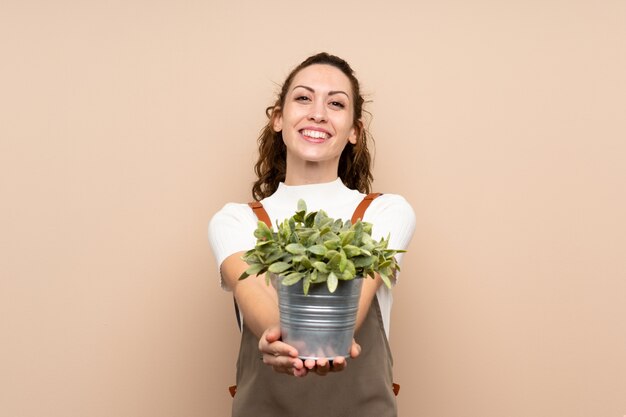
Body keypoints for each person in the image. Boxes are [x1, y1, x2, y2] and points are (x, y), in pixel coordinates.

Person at [208, 52, 416, 417]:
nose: (318, 112)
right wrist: (281, 339)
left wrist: (291, 343)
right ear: (278, 118)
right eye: (303, 98)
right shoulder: (236, 220)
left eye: (336, 103)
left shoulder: (386, 213)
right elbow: (250, 287)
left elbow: (353, 303)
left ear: (354, 130)